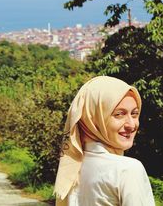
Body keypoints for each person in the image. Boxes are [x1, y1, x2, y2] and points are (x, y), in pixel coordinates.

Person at [54, 76, 155, 206]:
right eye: (119, 114)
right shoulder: (127, 170)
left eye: (134, 114)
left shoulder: (70, 167)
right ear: (94, 118)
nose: (131, 124)